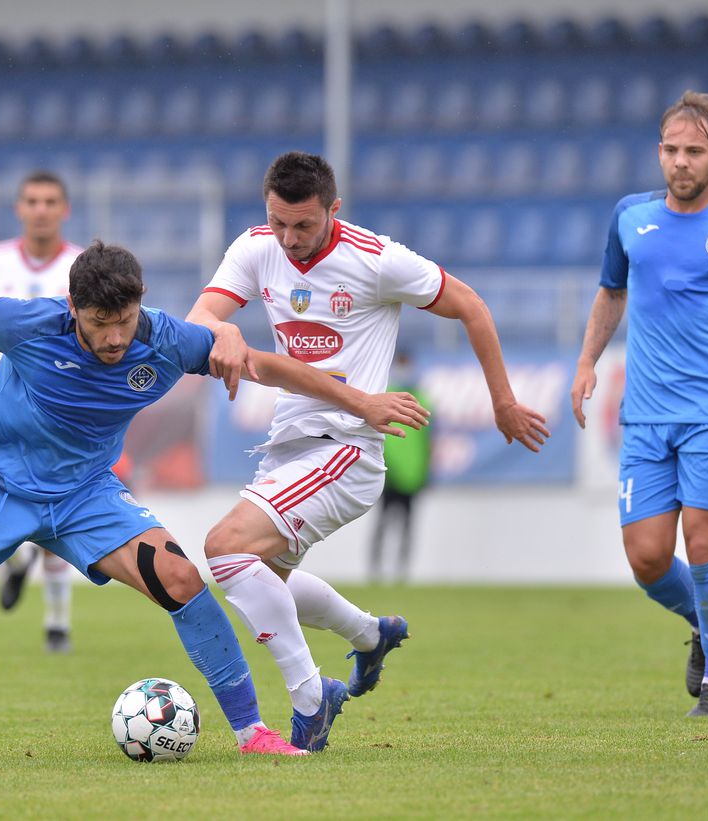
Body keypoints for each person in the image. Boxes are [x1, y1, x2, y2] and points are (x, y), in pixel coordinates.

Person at [0, 240, 429, 761]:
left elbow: (265, 365)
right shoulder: (26, 323)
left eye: (124, 320)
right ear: (73, 309)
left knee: (183, 580)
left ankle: (252, 733)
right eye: (101, 322)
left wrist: (361, 401)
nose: (115, 338)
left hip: (85, 494)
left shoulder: (166, 340)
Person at [187, 151, 549, 751]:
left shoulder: (376, 260)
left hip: (347, 448)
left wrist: (503, 402)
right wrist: (222, 328)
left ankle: (312, 698)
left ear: (334, 209)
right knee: (264, 583)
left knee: (225, 548)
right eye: (278, 222)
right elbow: (201, 316)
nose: (289, 238)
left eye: (304, 225)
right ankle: (370, 635)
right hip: (290, 442)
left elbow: (472, 307)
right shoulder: (255, 248)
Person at [570, 91, 708, 718]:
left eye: (694, 151)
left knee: (703, 542)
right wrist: (586, 361)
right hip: (644, 413)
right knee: (648, 558)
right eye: (671, 150)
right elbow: (611, 292)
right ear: (658, 152)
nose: (681, 161)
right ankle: (705, 624)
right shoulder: (630, 217)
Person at [0, 170, 83, 653]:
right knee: (3, 510)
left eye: (50, 201)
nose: (41, 210)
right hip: (2, 410)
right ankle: (18, 556)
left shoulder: (80, 264)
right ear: (19, 208)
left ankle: (57, 625)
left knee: (58, 512)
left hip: (60, 410)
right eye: (32, 201)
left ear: (65, 209)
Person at [368, 350, 430, 583]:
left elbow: (427, 441)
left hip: (412, 476)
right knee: (383, 524)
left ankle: (401, 572)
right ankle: (375, 571)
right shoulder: (386, 397)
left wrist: (426, 472)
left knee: (406, 527)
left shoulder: (423, 400)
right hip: (389, 474)